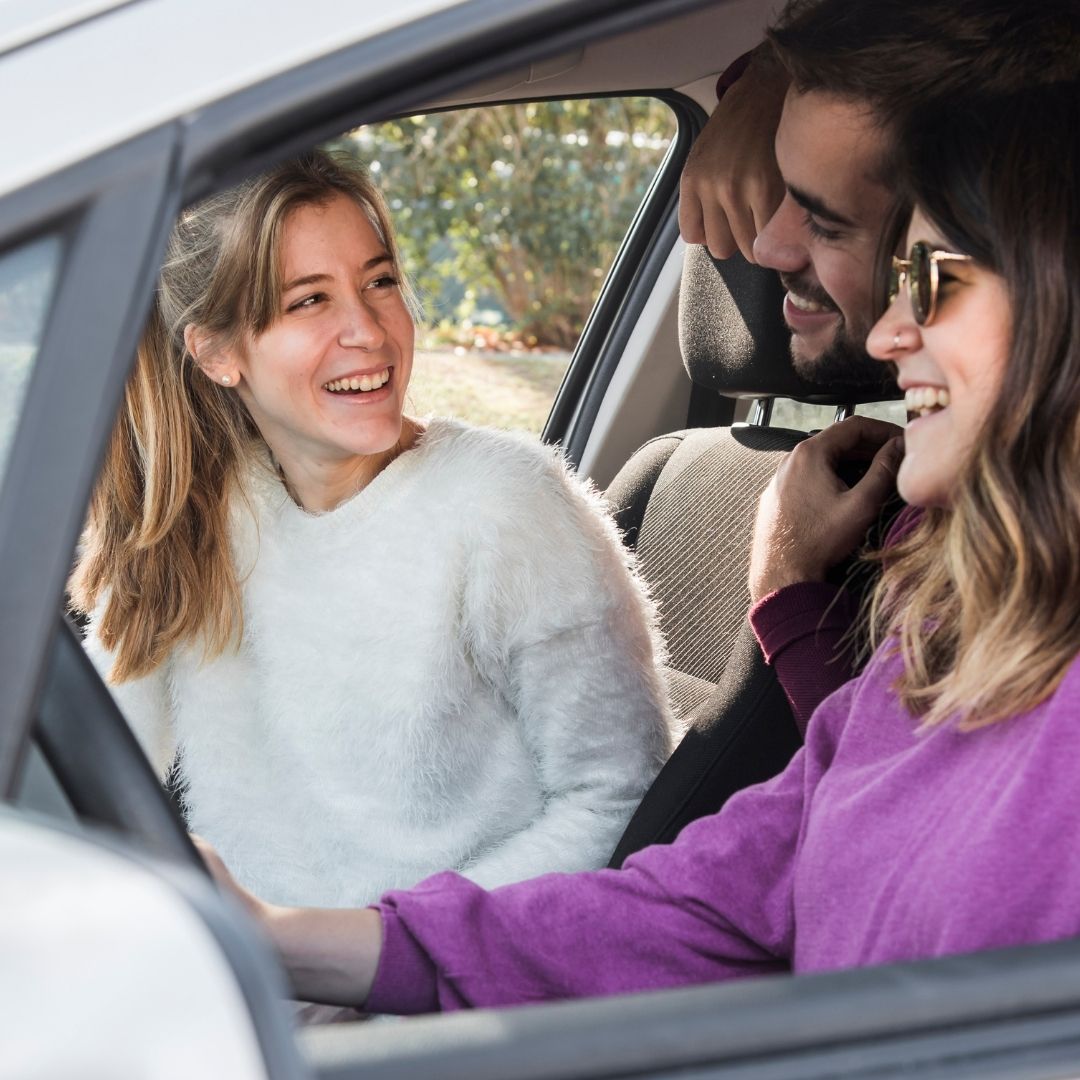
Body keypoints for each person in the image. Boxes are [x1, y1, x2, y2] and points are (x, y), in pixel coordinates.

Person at [200, 79, 1080, 1012]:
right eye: (897, 279)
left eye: (936, 280)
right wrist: (275, 940)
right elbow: (702, 904)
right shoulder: (939, 629)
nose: (890, 330)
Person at [71, 150, 674, 915]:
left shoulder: (503, 504)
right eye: (309, 301)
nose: (368, 330)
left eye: (380, 281)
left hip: (457, 996)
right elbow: (79, 765)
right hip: (267, 991)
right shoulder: (203, 523)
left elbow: (621, 798)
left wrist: (373, 952)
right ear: (218, 354)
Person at [679, 0, 1080, 735]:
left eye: (824, 219)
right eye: (775, 185)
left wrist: (790, 598)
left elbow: (877, 809)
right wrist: (757, 82)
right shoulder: (942, 517)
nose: (763, 245)